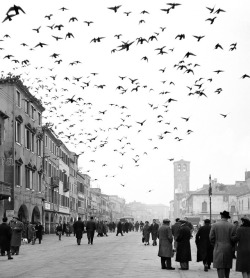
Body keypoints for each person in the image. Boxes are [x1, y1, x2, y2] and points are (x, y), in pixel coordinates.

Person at [209, 210, 234, 278]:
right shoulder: (232, 226)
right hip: (228, 247)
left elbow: (211, 237)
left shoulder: (215, 225)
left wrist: (214, 244)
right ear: (227, 218)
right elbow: (234, 238)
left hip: (218, 247)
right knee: (227, 267)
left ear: (221, 216)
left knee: (220, 267)